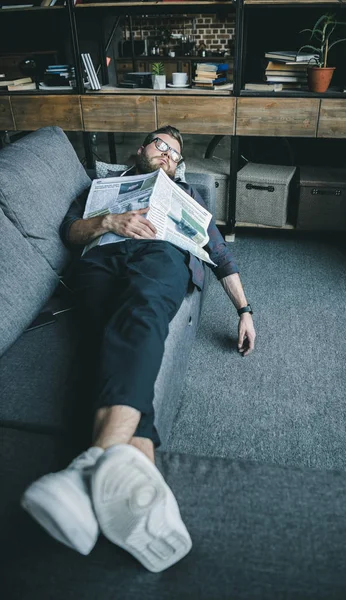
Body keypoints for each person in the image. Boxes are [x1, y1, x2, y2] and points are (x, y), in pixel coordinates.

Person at [21, 125, 256, 573]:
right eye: (159, 145)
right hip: (101, 260)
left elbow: (220, 254)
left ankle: (87, 468)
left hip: (159, 254)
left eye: (174, 151)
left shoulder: (187, 194)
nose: (166, 153)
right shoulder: (102, 187)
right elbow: (71, 232)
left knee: (143, 315)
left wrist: (245, 309)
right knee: (107, 338)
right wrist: (111, 221)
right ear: (141, 149)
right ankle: (145, 501)